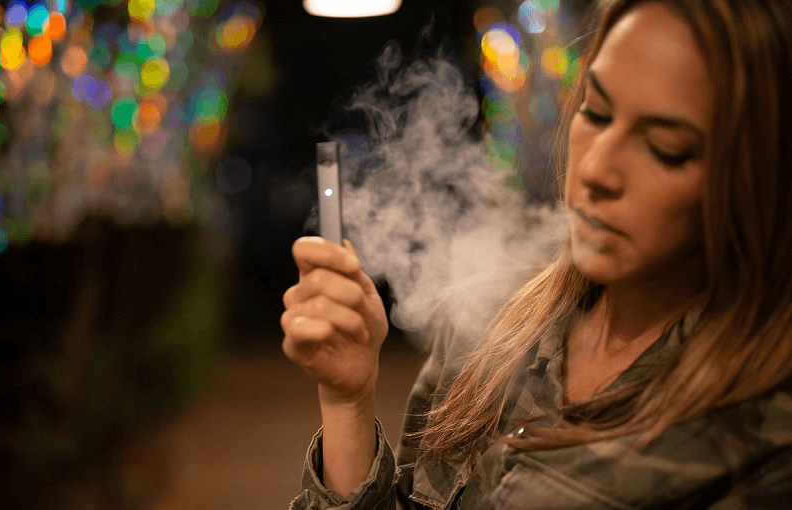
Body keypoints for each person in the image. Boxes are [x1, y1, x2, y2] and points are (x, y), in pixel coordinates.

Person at [280, 0, 792, 507]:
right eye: (596, 111)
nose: (595, 170)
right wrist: (348, 399)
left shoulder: (761, 446)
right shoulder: (487, 321)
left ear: (756, 180)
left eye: (664, 147)